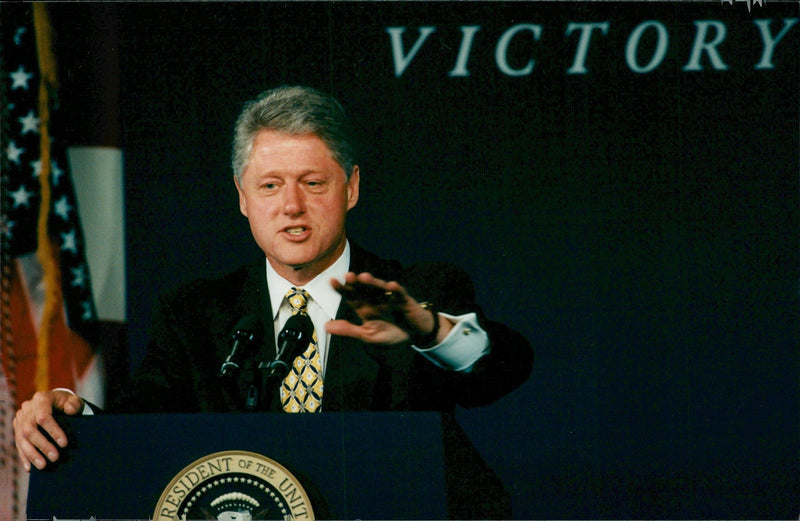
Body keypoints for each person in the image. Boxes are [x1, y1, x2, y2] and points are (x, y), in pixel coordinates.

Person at [14, 85, 533, 474]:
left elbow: (503, 368)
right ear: (243, 197)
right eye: (269, 186)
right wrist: (74, 410)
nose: (291, 207)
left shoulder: (417, 291)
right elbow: (141, 421)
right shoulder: (195, 313)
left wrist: (428, 331)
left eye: (313, 183)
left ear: (350, 187)